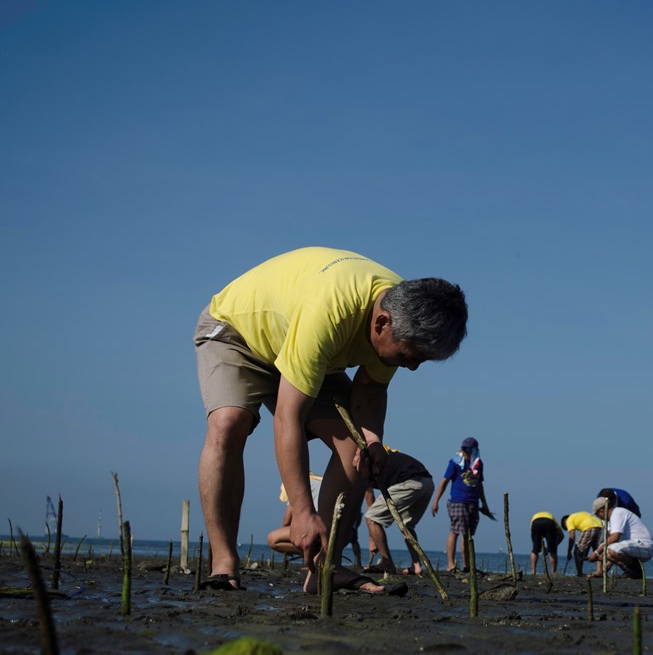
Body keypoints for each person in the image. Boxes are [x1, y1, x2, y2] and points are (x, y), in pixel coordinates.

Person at [194, 247, 468, 592]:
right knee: (229, 424)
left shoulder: (401, 310)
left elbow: (369, 391)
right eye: (409, 357)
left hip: (307, 351)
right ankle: (223, 564)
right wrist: (302, 512)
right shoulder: (330, 313)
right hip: (237, 333)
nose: (411, 367)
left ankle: (326, 569)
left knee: (356, 451)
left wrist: (372, 442)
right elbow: (288, 417)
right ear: (381, 323)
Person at [361, 446, 434, 576]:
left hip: (411, 482)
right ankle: (416, 565)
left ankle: (387, 562)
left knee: (371, 518)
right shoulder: (383, 455)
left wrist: (372, 536)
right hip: (427, 483)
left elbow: (369, 500)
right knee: (407, 526)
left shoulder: (365, 459)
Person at [267, 473, 362, 567]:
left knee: (273, 539)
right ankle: (358, 563)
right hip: (345, 527)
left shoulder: (296, 486)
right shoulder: (315, 482)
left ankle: (317, 553)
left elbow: (286, 521)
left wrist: (291, 544)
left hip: (325, 529)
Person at [430, 437, 493, 572]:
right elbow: (444, 481)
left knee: (468, 535)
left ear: (475, 450)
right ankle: (451, 564)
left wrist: (485, 504)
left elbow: (479, 485)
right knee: (455, 531)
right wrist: (436, 501)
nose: (465, 451)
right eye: (463, 448)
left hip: (473, 502)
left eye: (468, 449)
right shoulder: (455, 462)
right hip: (458, 501)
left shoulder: (478, 463)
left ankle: (468, 566)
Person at [588, 496, 653, 578]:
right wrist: (602, 556)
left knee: (611, 550)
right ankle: (631, 572)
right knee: (607, 552)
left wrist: (596, 552)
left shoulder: (617, 513)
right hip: (635, 547)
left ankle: (636, 571)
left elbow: (615, 538)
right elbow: (611, 541)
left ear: (601, 510)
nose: (599, 517)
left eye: (597, 514)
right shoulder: (613, 518)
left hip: (645, 546)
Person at [561, 511, 604, 576]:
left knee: (578, 551)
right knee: (597, 551)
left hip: (589, 527)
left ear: (565, 522)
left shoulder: (569, 520)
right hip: (600, 526)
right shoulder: (577, 516)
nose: (569, 528)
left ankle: (579, 573)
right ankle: (600, 571)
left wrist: (569, 551)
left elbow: (572, 536)